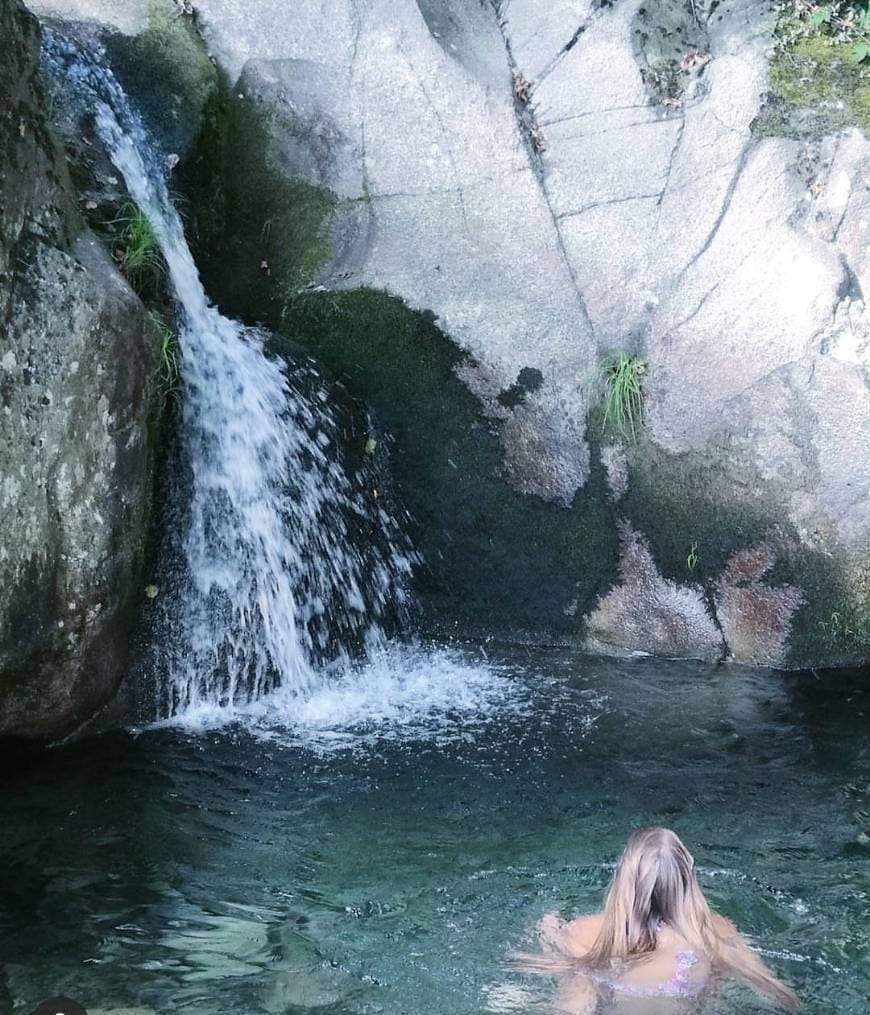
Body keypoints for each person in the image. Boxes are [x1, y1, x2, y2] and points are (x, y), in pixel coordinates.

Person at [513, 827, 799, 1012]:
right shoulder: (716, 931)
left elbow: (573, 1006)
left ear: (625, 880)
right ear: (688, 880)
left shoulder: (586, 934)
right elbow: (773, 989)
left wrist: (549, 932)